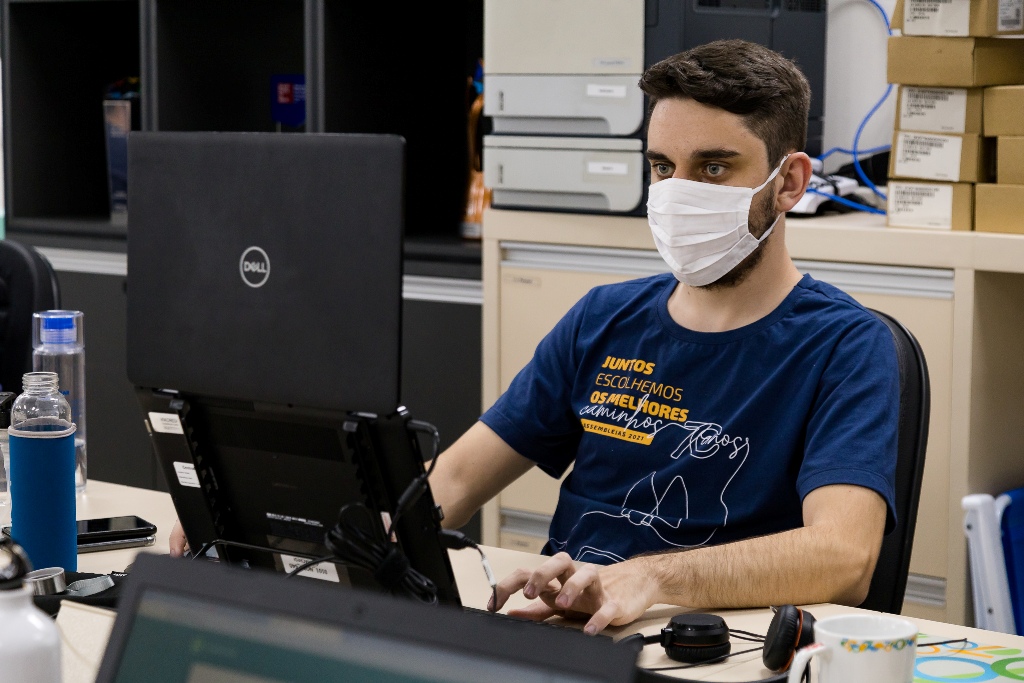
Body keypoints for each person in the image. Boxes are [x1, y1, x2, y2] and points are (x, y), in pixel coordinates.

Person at [171, 39, 898, 636]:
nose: (678, 192)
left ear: (789, 182)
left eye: (712, 167)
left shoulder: (846, 346)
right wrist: (268, 529)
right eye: (661, 167)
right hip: (555, 634)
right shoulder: (604, 319)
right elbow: (452, 482)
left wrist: (650, 577)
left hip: (699, 647)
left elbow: (844, 556)